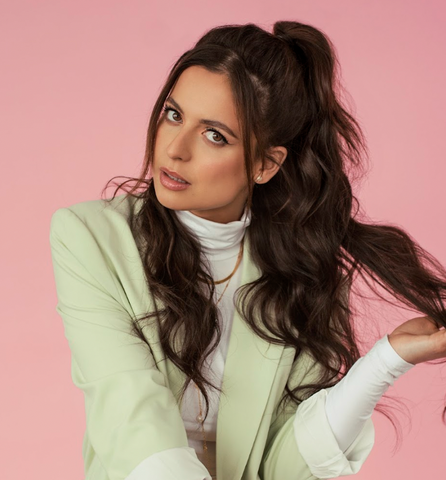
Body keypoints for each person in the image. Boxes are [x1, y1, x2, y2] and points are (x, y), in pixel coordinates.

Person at [49, 20, 446, 480]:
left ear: (265, 164)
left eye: (214, 134)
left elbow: (287, 463)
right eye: (173, 115)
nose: (174, 150)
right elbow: (129, 415)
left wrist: (384, 362)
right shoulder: (91, 237)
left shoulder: (303, 269)